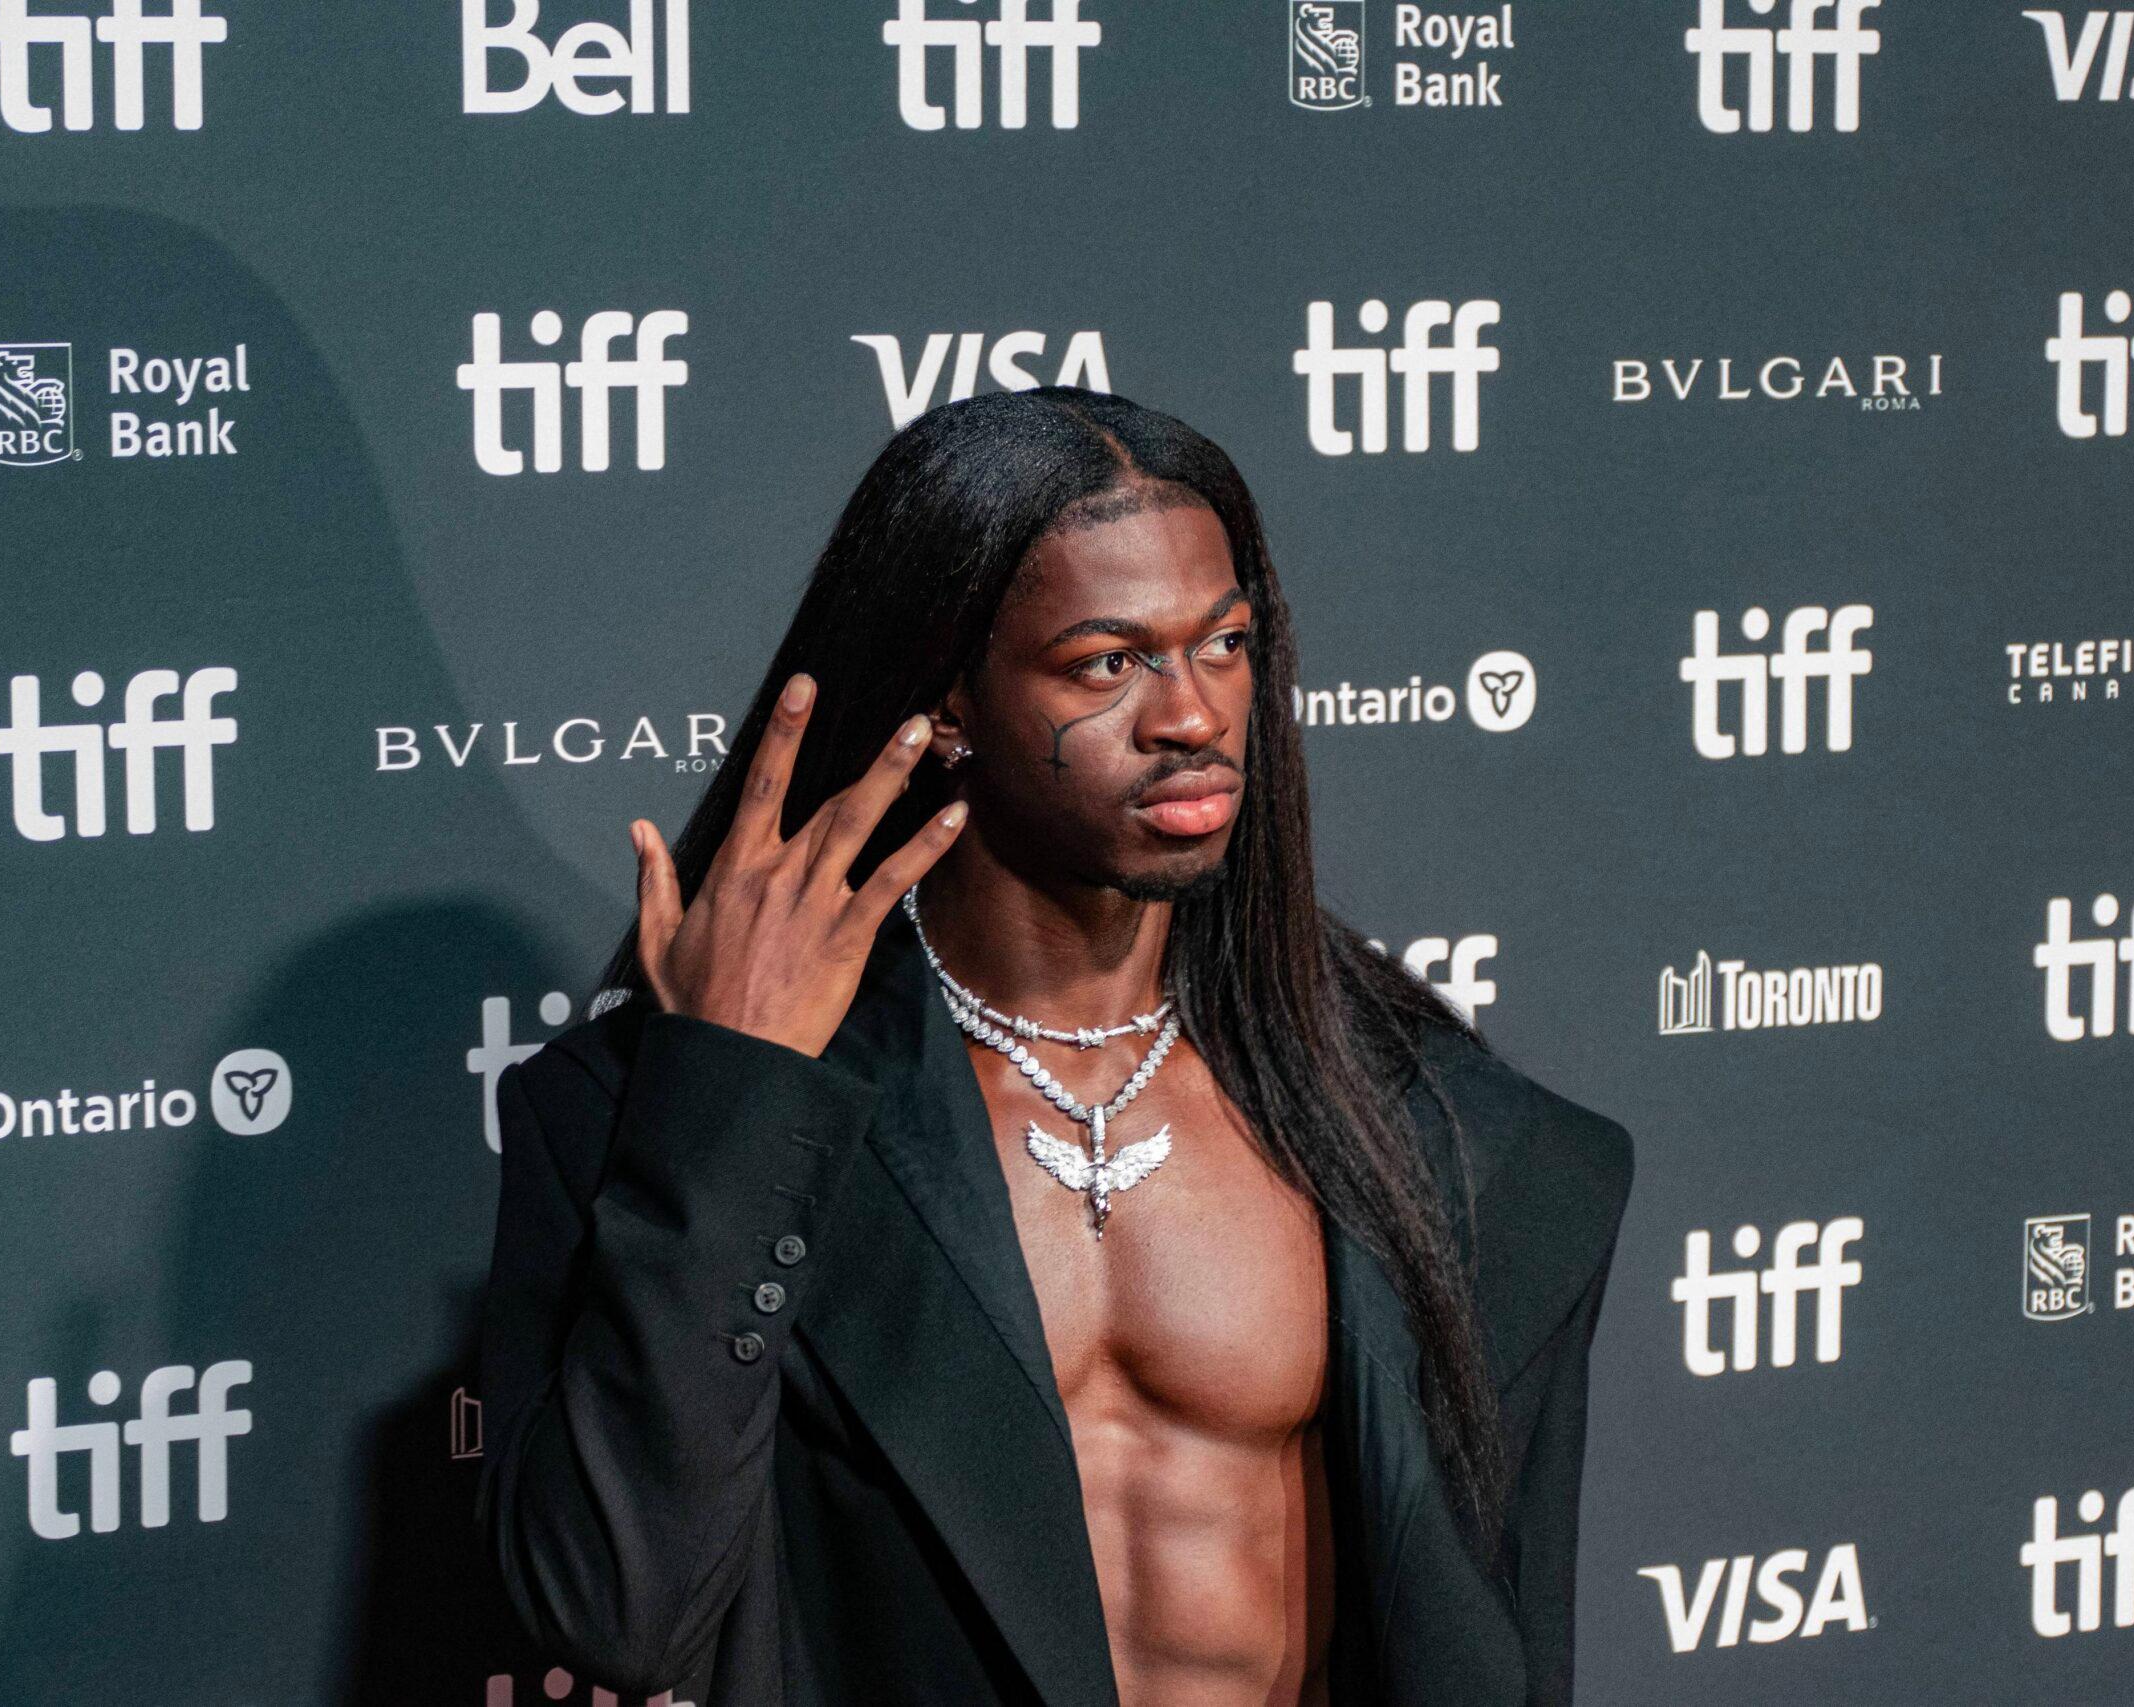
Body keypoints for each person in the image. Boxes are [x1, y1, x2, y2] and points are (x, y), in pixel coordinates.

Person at [473, 388, 1633, 1707]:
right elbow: (612, 1613)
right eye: (1106, 663)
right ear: (949, 700)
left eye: (1225, 644)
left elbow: (1500, 1631)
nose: (1192, 715)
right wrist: (734, 1094)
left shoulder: (1423, 1126)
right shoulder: (682, 1113)